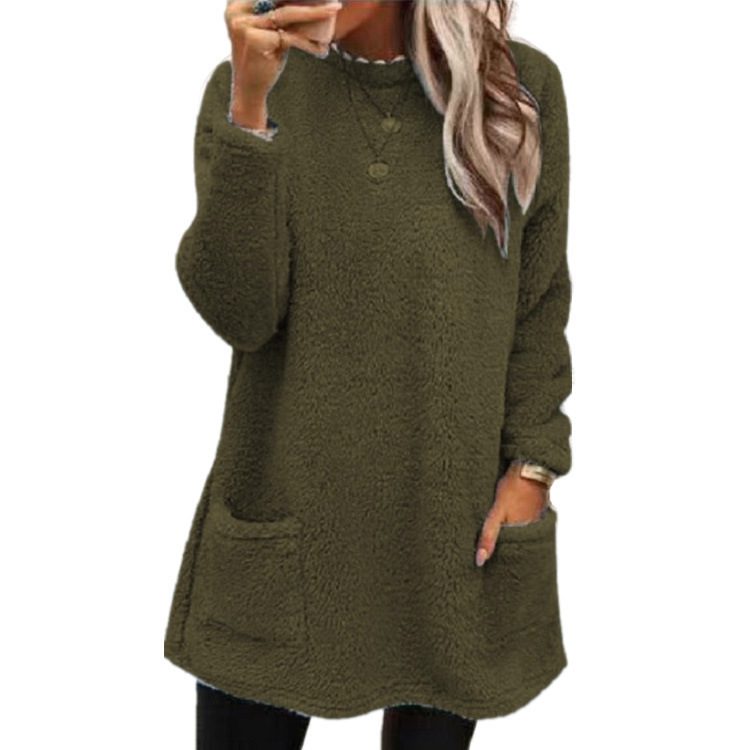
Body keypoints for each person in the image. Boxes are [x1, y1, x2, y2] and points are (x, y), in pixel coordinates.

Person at [164, 1, 574, 747]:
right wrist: (250, 109)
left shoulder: (517, 90)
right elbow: (240, 312)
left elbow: (538, 304)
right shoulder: (245, 89)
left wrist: (533, 469)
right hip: (283, 535)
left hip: (449, 544)